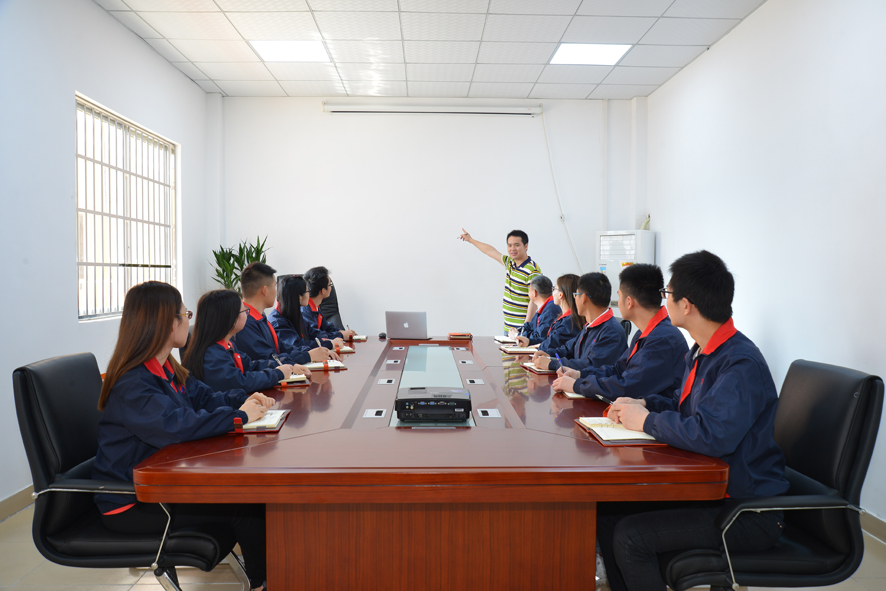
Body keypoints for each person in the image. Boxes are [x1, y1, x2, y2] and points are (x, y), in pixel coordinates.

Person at [597, 251, 789, 591]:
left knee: (631, 537)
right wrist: (643, 403)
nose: (664, 300)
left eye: (667, 294)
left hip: (746, 511)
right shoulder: (703, 350)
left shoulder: (739, 363)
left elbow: (713, 435)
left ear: (686, 305)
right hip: (713, 491)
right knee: (608, 512)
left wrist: (646, 421)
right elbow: (683, 405)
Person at [92, 281, 271, 591]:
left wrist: (245, 400)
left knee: (250, 499)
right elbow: (176, 426)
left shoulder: (166, 368)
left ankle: (266, 577)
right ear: (167, 323)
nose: (190, 321)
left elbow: (204, 398)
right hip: (133, 501)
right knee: (246, 505)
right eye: (186, 315)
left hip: (161, 484)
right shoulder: (133, 383)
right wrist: (239, 417)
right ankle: (263, 583)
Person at [551, 263, 688, 401]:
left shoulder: (662, 339)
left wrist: (577, 385)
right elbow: (618, 370)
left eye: (619, 295)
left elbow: (627, 388)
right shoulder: (644, 332)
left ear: (629, 302)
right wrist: (580, 374)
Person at [182, 289, 313, 393]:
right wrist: (277, 374)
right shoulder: (212, 354)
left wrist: (286, 365)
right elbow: (240, 382)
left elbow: (250, 365)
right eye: (244, 310)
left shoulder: (228, 345)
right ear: (230, 319)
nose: (247, 313)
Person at [234, 262, 337, 365]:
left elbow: (283, 347)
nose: (277, 292)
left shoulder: (259, 318)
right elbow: (268, 359)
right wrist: (308, 356)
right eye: (275, 286)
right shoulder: (245, 323)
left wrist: (311, 353)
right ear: (265, 290)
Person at [532, 272, 627, 372]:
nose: (574, 299)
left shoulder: (611, 331)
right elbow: (569, 348)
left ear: (584, 298)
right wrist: (549, 354)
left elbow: (591, 365)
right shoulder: (590, 326)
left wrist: (553, 364)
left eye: (575, 295)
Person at [458, 228, 542, 333]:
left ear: (526, 246)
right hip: (508, 327)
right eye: (509, 245)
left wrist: (526, 327)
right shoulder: (510, 263)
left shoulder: (532, 270)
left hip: (522, 329)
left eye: (517, 245)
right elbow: (490, 251)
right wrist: (471, 240)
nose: (512, 249)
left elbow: (534, 300)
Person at [270, 275, 344, 355]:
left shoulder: (295, 313)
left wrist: (336, 337)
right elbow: (297, 346)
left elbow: (314, 333)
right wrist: (329, 344)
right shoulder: (278, 322)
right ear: (299, 297)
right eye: (308, 291)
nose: (309, 295)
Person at [517, 273, 581, 351]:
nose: (552, 292)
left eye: (554, 289)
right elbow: (549, 340)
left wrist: (532, 344)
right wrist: (529, 341)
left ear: (561, 295)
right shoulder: (564, 318)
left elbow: (551, 344)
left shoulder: (567, 322)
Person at [302, 266, 357, 341]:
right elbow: (316, 336)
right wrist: (341, 335)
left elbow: (327, 328)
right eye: (330, 285)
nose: (331, 288)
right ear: (323, 291)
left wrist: (342, 332)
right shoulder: (305, 310)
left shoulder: (315, 306)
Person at [511, 275, 560, 344]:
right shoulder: (545, 307)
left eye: (529, 290)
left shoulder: (551, 310)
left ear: (534, 292)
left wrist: (518, 335)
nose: (528, 293)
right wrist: (516, 330)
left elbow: (539, 337)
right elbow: (531, 327)